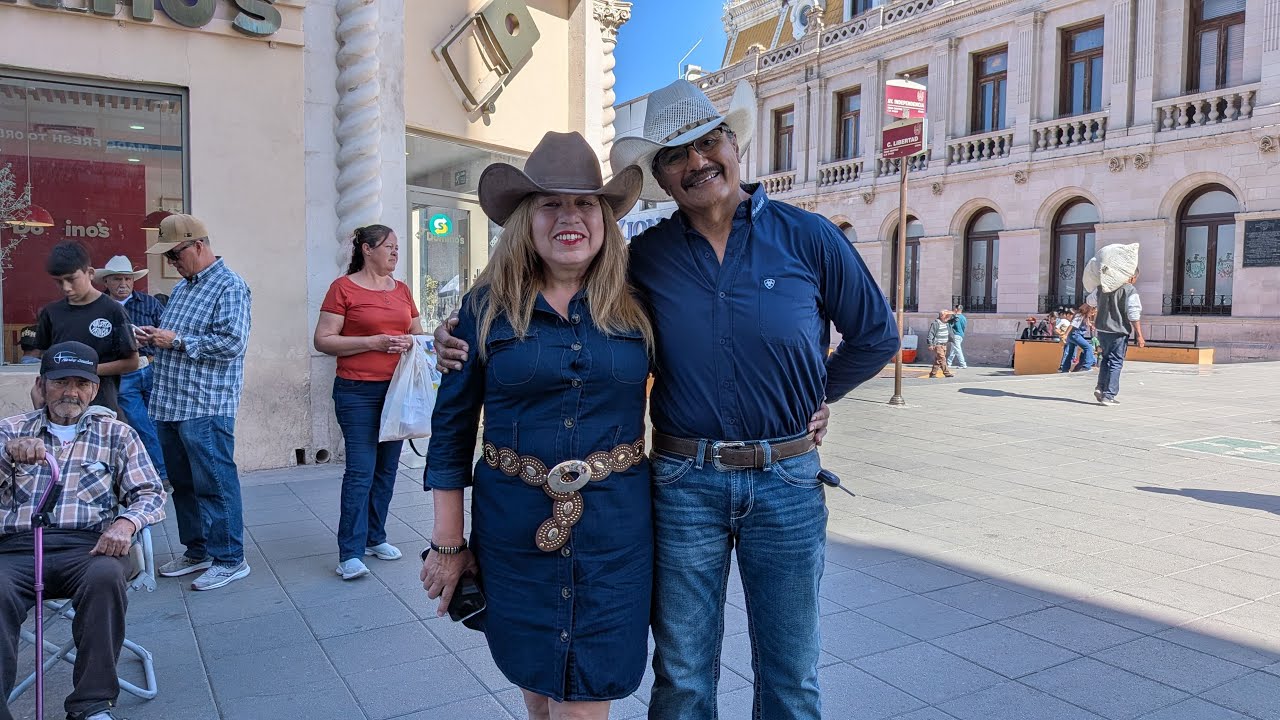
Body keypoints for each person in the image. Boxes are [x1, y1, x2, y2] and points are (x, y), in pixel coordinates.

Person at [436, 80, 896, 720]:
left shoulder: (808, 237)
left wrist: (818, 394)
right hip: (683, 484)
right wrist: (460, 330)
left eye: (709, 143)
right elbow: (557, 285)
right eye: (676, 155)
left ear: (735, 146)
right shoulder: (641, 260)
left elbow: (878, 335)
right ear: (661, 176)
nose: (697, 161)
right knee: (681, 675)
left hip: (787, 480)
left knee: (792, 677)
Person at [422, 131, 654, 720]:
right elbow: (450, 433)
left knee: (583, 698)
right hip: (512, 530)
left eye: (584, 203)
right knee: (538, 686)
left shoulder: (642, 303)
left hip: (616, 532)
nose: (568, 217)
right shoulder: (481, 310)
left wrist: (805, 405)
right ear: (526, 220)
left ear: (605, 219)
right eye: (550, 203)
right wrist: (449, 546)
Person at [0, 341, 166, 720]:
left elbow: (151, 494)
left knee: (106, 578)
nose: (71, 392)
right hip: (17, 548)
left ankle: (92, 705)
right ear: (41, 385)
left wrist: (126, 523)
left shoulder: (116, 434)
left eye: (81, 384)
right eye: (60, 382)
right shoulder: (9, 430)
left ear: (94, 389)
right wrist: (6, 455)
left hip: (91, 546)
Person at [137, 214, 253, 591]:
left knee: (214, 483)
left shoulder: (230, 286)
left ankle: (230, 558)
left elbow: (233, 343)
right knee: (183, 484)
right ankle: (197, 549)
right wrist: (154, 337)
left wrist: (177, 341)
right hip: (171, 402)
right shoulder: (186, 287)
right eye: (168, 257)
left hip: (206, 404)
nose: (171, 262)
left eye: (175, 254)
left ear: (198, 245)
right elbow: (177, 337)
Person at [314, 224, 422, 581]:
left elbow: (417, 335)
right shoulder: (343, 288)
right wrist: (372, 342)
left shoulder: (403, 290)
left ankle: (376, 536)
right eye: (388, 246)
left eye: (397, 246)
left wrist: (412, 342)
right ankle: (350, 552)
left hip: (398, 392)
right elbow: (324, 340)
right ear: (366, 249)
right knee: (361, 470)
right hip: (357, 391)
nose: (394, 252)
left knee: (387, 469)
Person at [32, 242, 140, 418]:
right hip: (59, 408)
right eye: (59, 282)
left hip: (101, 406)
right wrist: (40, 390)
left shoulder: (113, 310)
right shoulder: (51, 313)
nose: (66, 287)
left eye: (71, 279)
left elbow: (132, 362)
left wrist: (84, 369)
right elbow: (46, 359)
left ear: (90, 273)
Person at [95, 255, 168, 485]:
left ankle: (161, 472)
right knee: (140, 423)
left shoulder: (149, 303)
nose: (123, 283)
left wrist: (151, 339)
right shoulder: (98, 308)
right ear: (106, 282)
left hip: (152, 367)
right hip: (124, 371)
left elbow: (167, 332)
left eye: (127, 278)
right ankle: (163, 474)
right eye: (117, 279)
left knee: (159, 422)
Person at [1086, 243, 1145, 406]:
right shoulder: (1130, 291)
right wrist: (1139, 335)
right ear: (1131, 277)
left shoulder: (1102, 287)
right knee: (1116, 361)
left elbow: (1089, 301)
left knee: (1105, 358)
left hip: (1102, 330)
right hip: (1118, 332)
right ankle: (1109, 395)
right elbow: (1134, 314)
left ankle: (1101, 387)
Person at [1059, 302, 1096, 373]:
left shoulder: (1084, 316)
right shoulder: (1080, 315)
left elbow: (1087, 323)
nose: (1092, 314)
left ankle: (1065, 369)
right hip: (1075, 335)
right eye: (1092, 312)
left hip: (1074, 335)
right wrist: (1065, 335)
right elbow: (1072, 324)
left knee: (1070, 352)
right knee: (1088, 347)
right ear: (1088, 310)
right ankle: (1087, 366)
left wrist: (1091, 325)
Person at [927, 309, 955, 378]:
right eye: (947, 316)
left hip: (944, 344)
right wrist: (930, 344)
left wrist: (951, 313)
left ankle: (933, 373)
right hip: (938, 344)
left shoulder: (947, 323)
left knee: (938, 360)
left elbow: (955, 318)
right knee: (942, 359)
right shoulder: (936, 324)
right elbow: (931, 334)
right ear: (942, 316)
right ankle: (946, 373)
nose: (948, 318)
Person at [947, 304, 968, 369]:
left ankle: (963, 364)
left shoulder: (955, 317)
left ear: (956, 309)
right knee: (953, 350)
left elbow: (950, 325)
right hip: (961, 335)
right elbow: (964, 327)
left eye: (954, 309)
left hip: (955, 334)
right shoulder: (964, 318)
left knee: (958, 350)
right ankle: (948, 363)